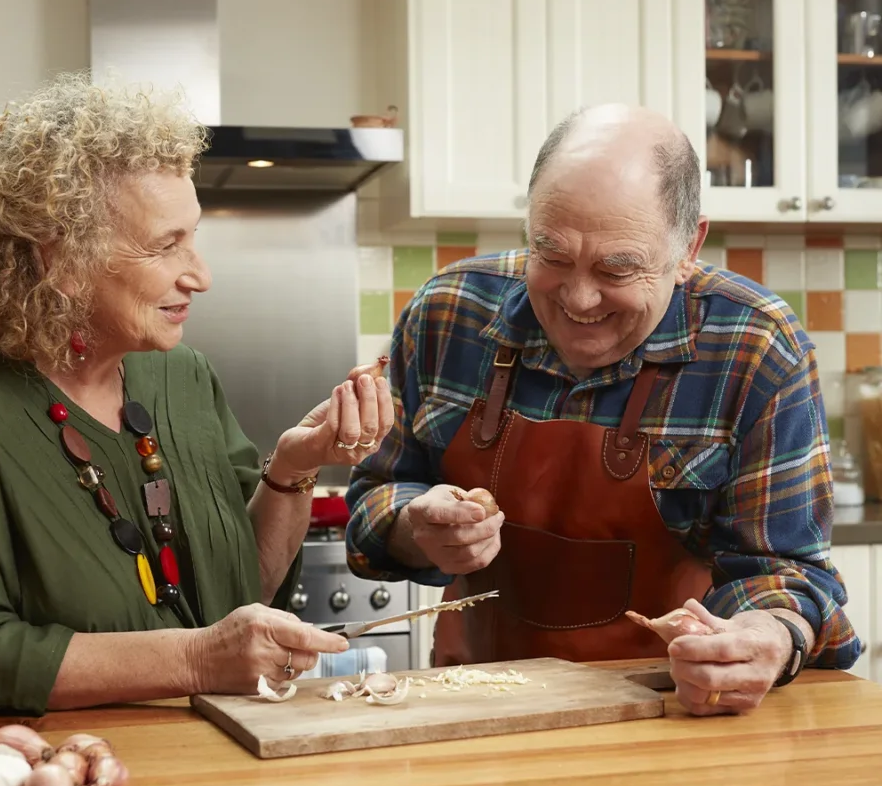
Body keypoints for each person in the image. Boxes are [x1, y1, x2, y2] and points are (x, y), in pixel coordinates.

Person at [0, 74, 386, 718]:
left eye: (194, 238)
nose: (200, 275)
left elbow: (243, 589)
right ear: (59, 259)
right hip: (59, 771)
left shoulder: (183, 376)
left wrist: (294, 468)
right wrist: (195, 660)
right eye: (167, 246)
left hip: (212, 762)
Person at [344, 103, 865, 717]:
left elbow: (784, 571)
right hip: (477, 708)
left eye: (617, 268)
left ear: (689, 246)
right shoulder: (448, 311)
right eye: (551, 256)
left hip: (672, 715)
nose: (579, 298)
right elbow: (376, 497)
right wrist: (415, 526)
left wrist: (765, 635)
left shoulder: (754, 346)